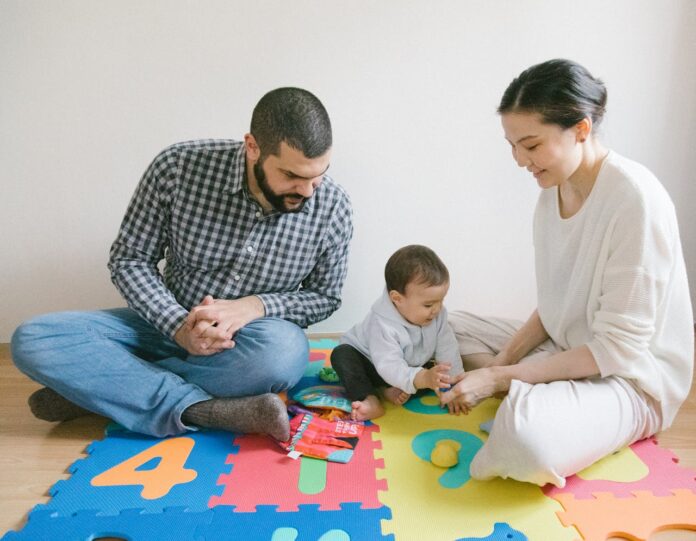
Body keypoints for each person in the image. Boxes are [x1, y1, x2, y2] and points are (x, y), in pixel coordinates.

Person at [11, 87, 353, 442]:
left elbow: (324, 296)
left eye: (318, 175)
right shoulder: (178, 167)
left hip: (247, 345)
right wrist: (177, 326)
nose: (309, 190)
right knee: (34, 338)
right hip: (161, 323)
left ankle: (100, 393)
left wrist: (255, 306)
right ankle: (199, 409)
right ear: (252, 148)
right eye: (293, 176)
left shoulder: (333, 208)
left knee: (284, 354)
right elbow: (130, 259)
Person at [441, 59, 694, 487]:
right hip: (569, 345)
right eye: (512, 145)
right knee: (443, 324)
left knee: (526, 440)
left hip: (631, 380)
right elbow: (557, 303)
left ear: (580, 129)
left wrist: (499, 376)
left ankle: (533, 405)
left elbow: (617, 351)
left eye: (532, 145)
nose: (521, 160)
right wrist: (501, 363)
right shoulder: (551, 193)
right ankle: (537, 396)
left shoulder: (635, 201)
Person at [332, 245, 465, 421]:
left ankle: (391, 389)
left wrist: (454, 388)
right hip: (373, 363)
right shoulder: (382, 323)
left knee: (435, 372)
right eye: (428, 305)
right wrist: (422, 378)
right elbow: (389, 365)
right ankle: (370, 398)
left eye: (441, 301)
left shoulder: (438, 314)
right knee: (341, 355)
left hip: (410, 367)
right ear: (397, 299)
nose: (436, 309)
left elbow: (448, 349)